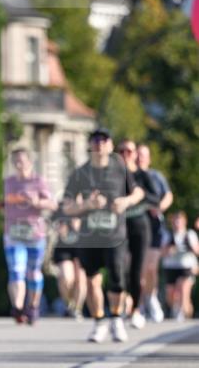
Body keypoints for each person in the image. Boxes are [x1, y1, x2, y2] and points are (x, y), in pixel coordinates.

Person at [62, 127, 144, 344]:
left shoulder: (120, 170)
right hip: (89, 236)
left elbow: (138, 192)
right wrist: (87, 204)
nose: (99, 144)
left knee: (117, 279)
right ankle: (99, 322)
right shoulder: (80, 173)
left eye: (104, 140)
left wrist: (125, 202)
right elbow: (67, 206)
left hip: (115, 235)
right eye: (95, 140)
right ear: (90, 145)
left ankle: (116, 319)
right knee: (92, 280)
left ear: (110, 145)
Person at [0, 148, 56, 325]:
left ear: (30, 162)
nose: (19, 165)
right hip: (13, 233)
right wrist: (0, 204)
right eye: (16, 161)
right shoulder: (9, 182)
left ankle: (33, 306)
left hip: (34, 234)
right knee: (16, 271)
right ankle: (18, 308)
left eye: (22, 161)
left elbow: (52, 204)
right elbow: (8, 201)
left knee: (33, 272)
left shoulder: (38, 181)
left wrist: (37, 202)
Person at [117, 139, 165, 330]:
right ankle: (120, 305)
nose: (126, 154)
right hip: (118, 227)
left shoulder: (143, 176)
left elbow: (156, 197)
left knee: (137, 270)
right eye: (122, 151)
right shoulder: (113, 176)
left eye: (129, 151)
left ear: (135, 154)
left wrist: (139, 195)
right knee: (119, 268)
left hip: (139, 225)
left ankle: (136, 309)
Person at [137, 144, 173, 323]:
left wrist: (160, 207)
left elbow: (168, 195)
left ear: (149, 158)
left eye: (143, 155)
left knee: (151, 267)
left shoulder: (156, 176)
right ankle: (138, 303)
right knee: (136, 267)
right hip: (135, 227)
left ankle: (151, 297)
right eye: (138, 155)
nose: (140, 158)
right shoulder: (130, 177)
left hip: (154, 227)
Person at [161, 211, 199, 320]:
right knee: (170, 295)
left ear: (184, 221)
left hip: (186, 266)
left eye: (179, 219)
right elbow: (161, 253)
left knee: (184, 291)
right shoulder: (167, 235)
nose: (177, 222)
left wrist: (191, 247)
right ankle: (177, 310)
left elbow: (197, 251)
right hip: (171, 267)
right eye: (175, 219)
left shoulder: (190, 234)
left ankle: (185, 317)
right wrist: (169, 250)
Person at [50, 210, 86, 319]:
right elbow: (50, 222)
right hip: (64, 248)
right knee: (66, 278)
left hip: (82, 246)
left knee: (80, 279)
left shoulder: (88, 201)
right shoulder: (62, 205)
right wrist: (57, 229)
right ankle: (69, 304)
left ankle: (77, 309)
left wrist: (80, 227)